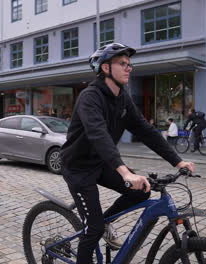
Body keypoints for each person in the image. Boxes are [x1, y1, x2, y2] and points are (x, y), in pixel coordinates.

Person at [60, 43, 195, 263]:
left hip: (101, 164)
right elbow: (98, 135)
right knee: (92, 230)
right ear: (105, 68)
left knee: (141, 191)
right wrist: (125, 173)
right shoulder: (89, 97)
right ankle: (96, 228)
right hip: (78, 168)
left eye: (129, 64)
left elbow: (146, 131)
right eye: (122, 64)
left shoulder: (123, 97)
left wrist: (177, 162)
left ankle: (103, 222)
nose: (129, 68)